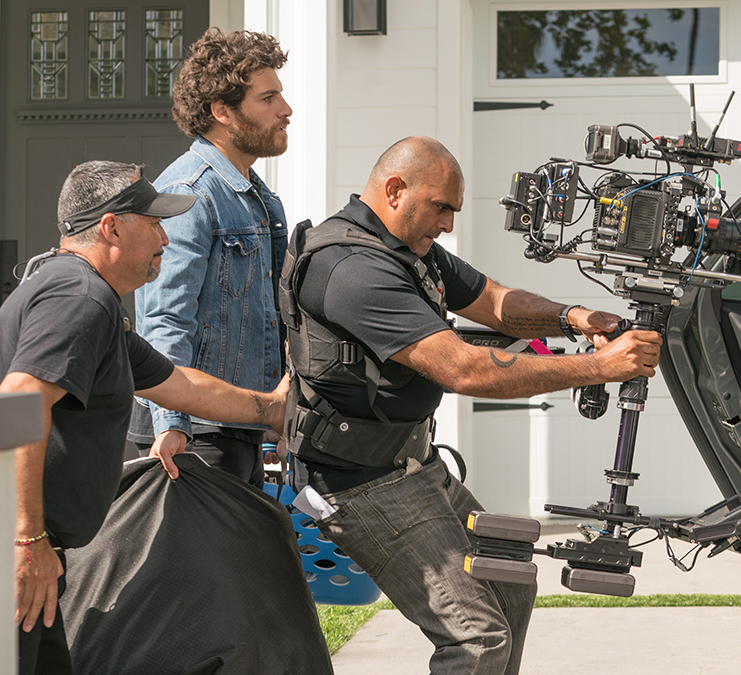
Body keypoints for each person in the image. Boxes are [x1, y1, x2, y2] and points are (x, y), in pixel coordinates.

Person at [282, 136, 661, 674]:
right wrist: (597, 369)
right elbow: (462, 368)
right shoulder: (351, 269)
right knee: (475, 639)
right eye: (441, 208)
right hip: (359, 483)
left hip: (412, 464)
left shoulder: (409, 251)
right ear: (394, 190)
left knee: (510, 589)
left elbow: (495, 303)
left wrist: (577, 318)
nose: (448, 225)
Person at [1, 161, 289, 675]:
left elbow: (180, 384)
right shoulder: (79, 298)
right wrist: (25, 539)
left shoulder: (94, 305)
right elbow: (17, 402)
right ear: (111, 227)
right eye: (154, 222)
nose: (165, 235)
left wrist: (271, 409)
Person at [128, 28, 292, 487]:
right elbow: (163, 319)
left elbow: (269, 320)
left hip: (236, 428)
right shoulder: (191, 192)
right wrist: (171, 423)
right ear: (223, 111)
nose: (286, 110)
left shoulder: (258, 197)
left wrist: (281, 416)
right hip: (194, 436)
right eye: (269, 98)